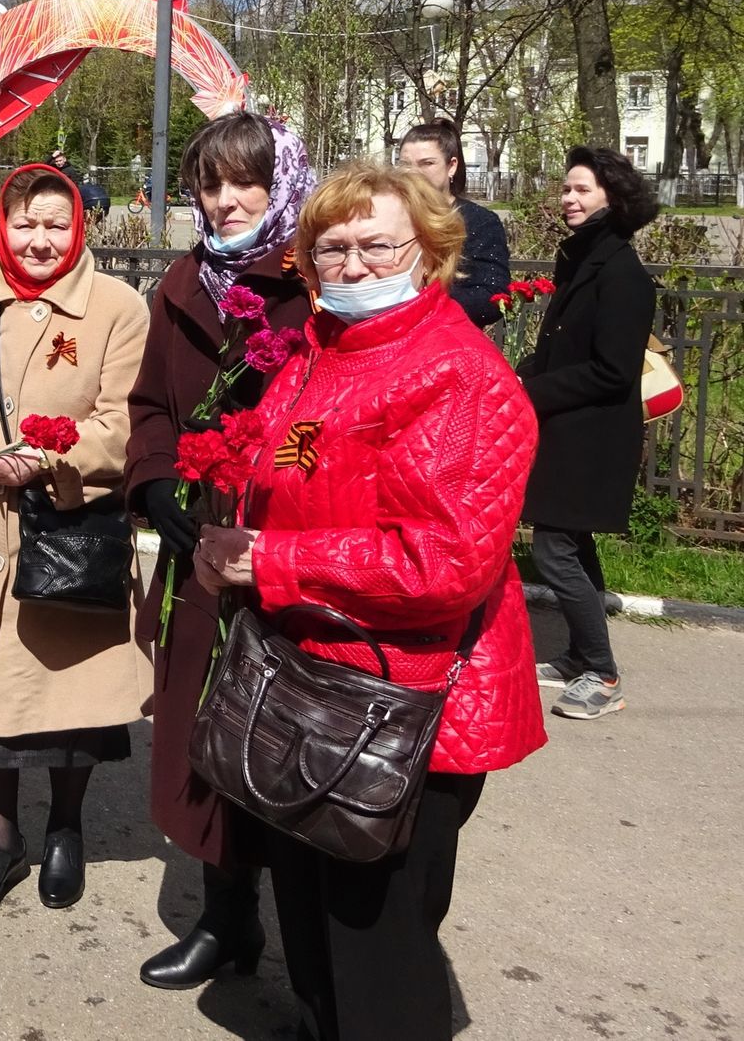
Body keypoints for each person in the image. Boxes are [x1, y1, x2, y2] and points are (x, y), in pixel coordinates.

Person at [194, 161, 544, 1041]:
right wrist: (230, 527)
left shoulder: (459, 376)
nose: (350, 266)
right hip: (308, 684)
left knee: (376, 947)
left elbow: (444, 562)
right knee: (310, 929)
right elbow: (288, 473)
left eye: (376, 245)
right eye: (331, 248)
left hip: (404, 705)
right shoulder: (322, 349)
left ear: (429, 254)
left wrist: (270, 561)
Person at [0, 164, 151, 918]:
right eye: (25, 223)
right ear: (2, 225)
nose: (40, 238)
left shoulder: (117, 308)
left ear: (79, 224)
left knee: (70, 707)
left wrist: (51, 457)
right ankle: (0, 841)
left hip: (67, 532)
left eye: (56, 223)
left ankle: (64, 831)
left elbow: (122, 425)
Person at [124, 110, 315, 990]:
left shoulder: (317, 285)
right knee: (205, 727)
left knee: (293, 740)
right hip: (199, 549)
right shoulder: (184, 283)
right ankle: (227, 919)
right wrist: (158, 483)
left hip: (292, 552)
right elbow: (153, 407)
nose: (229, 199)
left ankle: (314, 943)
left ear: (282, 185)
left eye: (248, 181)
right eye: (212, 183)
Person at [518, 145, 660, 721]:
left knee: (553, 550)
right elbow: (559, 346)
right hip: (567, 429)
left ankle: (603, 674)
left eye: (581, 190)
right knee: (572, 543)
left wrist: (535, 391)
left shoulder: (622, 272)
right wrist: (522, 375)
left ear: (612, 197)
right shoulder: (580, 260)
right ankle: (578, 656)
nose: (568, 200)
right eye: (567, 189)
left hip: (592, 437)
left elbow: (613, 370)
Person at [398, 118, 511, 327]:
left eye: (427, 163)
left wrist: (420, 306)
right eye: (405, 165)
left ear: (451, 166)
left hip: (447, 340)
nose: (413, 173)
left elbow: (492, 296)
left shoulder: (479, 222)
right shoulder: (388, 215)